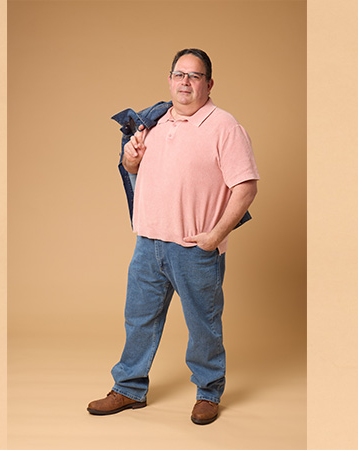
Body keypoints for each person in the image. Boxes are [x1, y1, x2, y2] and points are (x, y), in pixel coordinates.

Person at [87, 48, 259, 425]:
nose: (185, 82)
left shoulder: (224, 127)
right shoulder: (154, 121)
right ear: (170, 80)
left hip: (194, 248)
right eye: (179, 74)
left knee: (203, 324)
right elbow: (135, 170)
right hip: (147, 243)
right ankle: (129, 389)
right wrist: (131, 158)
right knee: (138, 320)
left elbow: (245, 187)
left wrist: (214, 236)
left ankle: (209, 392)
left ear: (209, 84)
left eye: (194, 76)